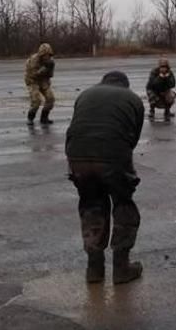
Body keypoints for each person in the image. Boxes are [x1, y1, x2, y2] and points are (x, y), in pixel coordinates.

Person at [65, 71, 145, 285]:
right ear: (125, 85)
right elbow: (133, 138)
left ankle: (94, 269)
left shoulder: (85, 94)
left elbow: (76, 127)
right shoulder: (133, 99)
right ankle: (121, 267)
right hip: (113, 156)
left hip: (77, 155)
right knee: (123, 203)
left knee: (91, 204)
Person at [24, 43, 56, 125]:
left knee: (50, 98)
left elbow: (50, 75)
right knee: (36, 101)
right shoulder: (34, 60)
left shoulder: (50, 61)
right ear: (41, 54)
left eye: (48, 55)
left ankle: (44, 118)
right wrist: (44, 69)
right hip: (32, 81)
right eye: (45, 55)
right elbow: (33, 74)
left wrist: (50, 68)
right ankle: (30, 118)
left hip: (43, 81)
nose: (47, 57)